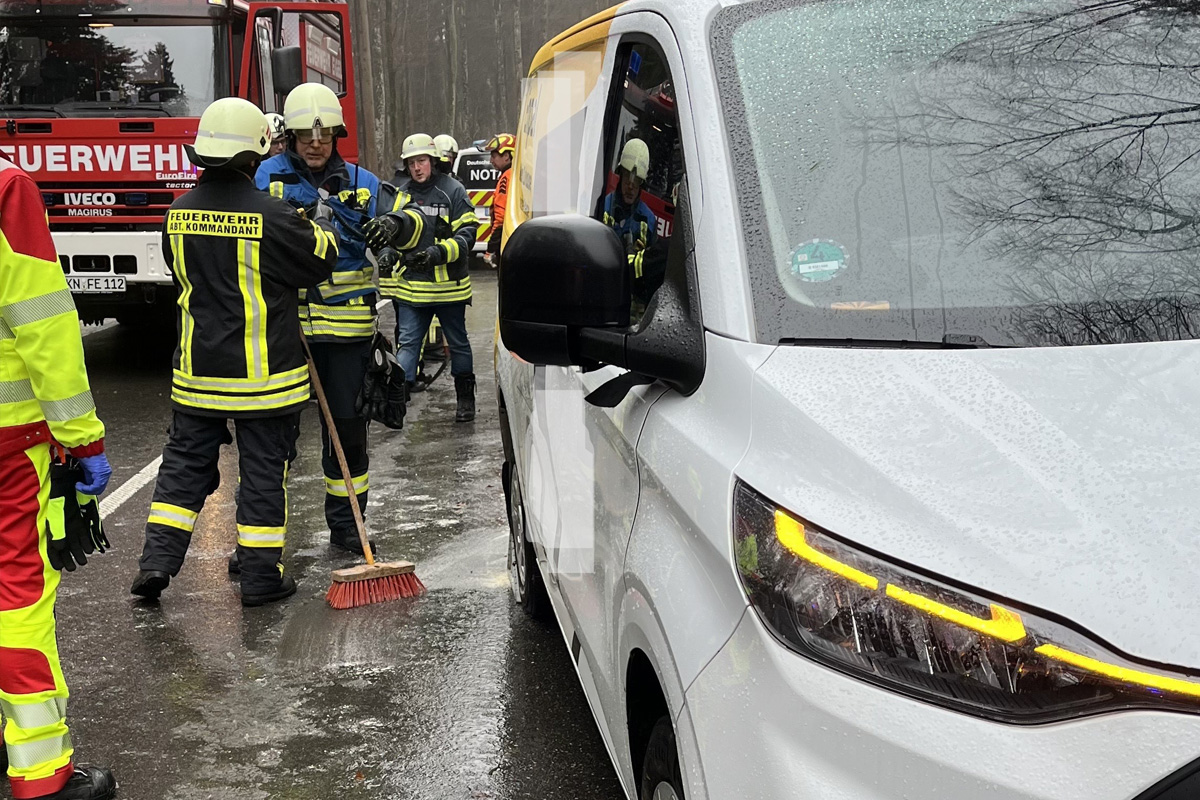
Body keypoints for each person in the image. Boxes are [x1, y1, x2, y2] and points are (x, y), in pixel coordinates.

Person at [130, 98, 340, 606]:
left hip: (197, 375)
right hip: (265, 379)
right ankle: (261, 580)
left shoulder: (177, 214)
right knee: (265, 473)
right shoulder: (273, 215)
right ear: (256, 154)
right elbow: (320, 262)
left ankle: (156, 563)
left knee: (182, 469)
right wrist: (322, 221)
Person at [0, 155, 116, 797]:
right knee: (16, 597)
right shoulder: (6, 189)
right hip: (7, 445)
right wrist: (82, 437)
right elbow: (43, 326)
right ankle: (40, 775)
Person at [255, 83, 396, 553]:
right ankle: (256, 543)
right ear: (291, 135)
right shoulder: (264, 177)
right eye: (304, 136)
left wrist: (398, 228)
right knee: (273, 442)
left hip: (348, 337)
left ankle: (348, 527)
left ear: (336, 134)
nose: (315, 144)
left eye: (324, 136)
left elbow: (412, 216)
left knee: (349, 438)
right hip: (282, 335)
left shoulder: (363, 181)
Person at [385, 133, 479, 422]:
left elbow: (468, 235)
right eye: (412, 162)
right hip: (413, 288)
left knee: (458, 344)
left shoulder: (453, 191)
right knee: (408, 344)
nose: (417, 168)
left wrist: (439, 253)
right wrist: (386, 253)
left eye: (422, 161)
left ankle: (465, 400)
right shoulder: (400, 193)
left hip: (449, 288)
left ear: (433, 161)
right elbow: (389, 229)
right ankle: (397, 404)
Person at [479, 133, 514, 263]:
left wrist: (491, 248)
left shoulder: (506, 177)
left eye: (494, 156)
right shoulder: (515, 175)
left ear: (506, 156)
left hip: (505, 241)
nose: (491, 161)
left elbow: (500, 216)